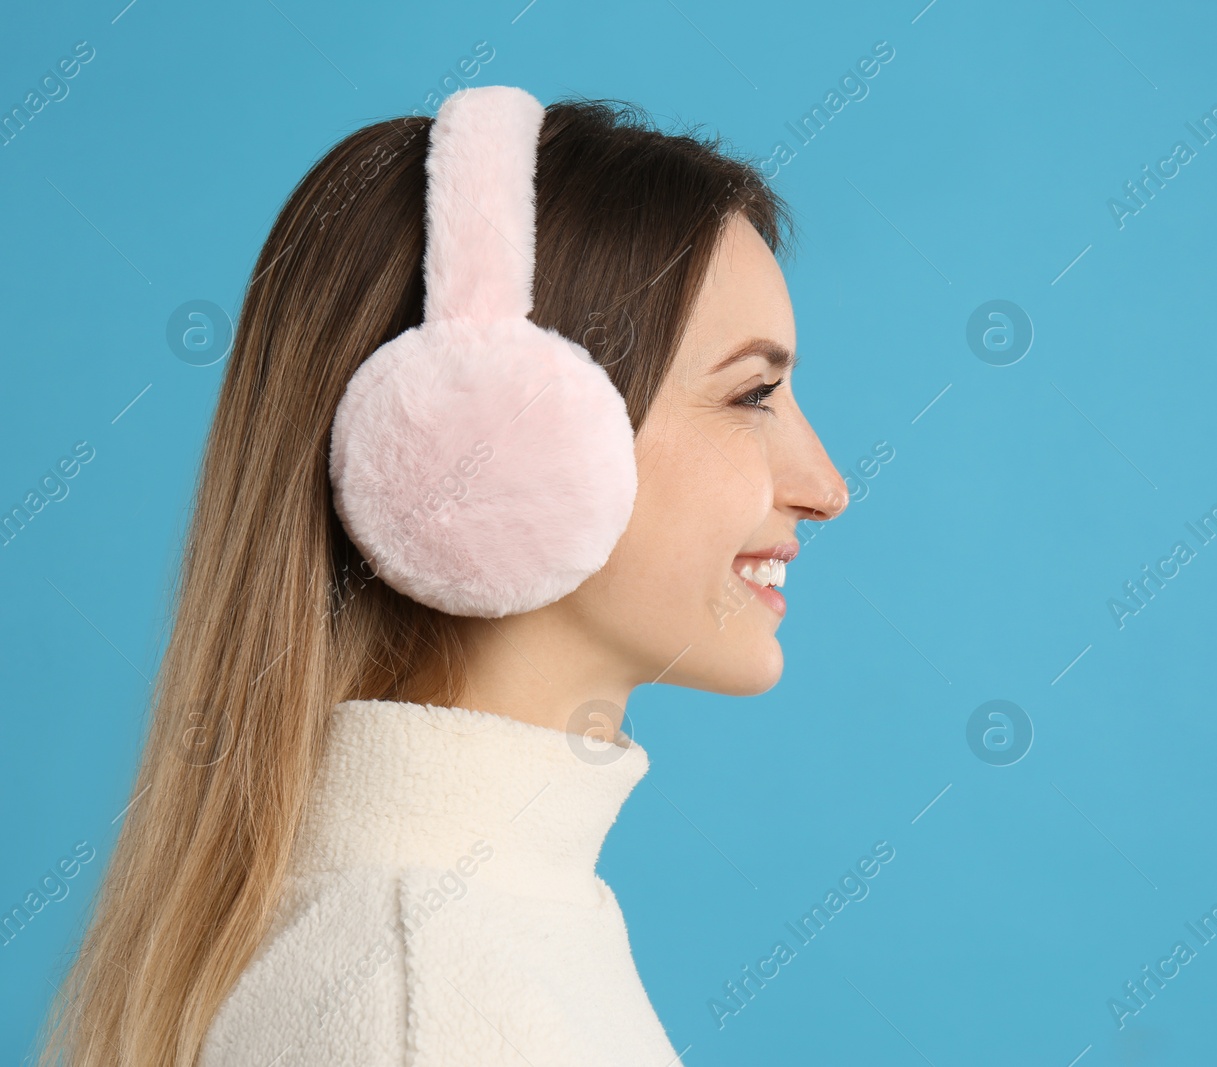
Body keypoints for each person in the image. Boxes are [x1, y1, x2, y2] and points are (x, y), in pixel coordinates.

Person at [38, 93, 849, 1067]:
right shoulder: (434, 997)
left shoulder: (485, 928)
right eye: (751, 394)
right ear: (493, 436)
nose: (827, 488)